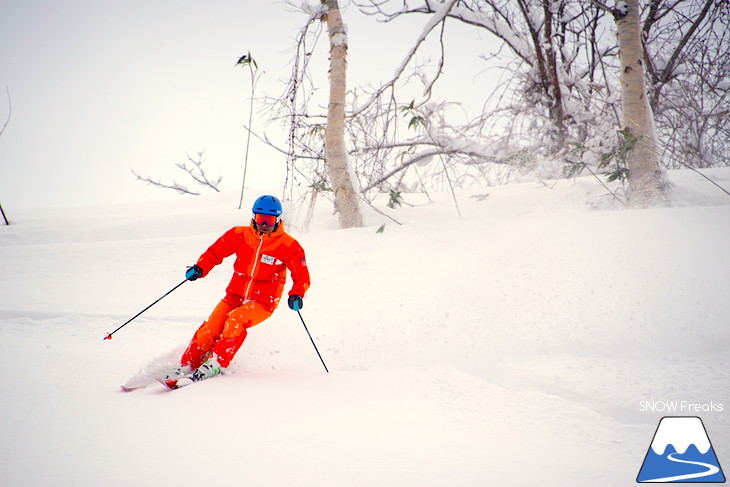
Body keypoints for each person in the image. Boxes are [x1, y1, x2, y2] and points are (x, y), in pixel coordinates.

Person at [168, 195, 310, 384]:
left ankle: (217, 363)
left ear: (278, 220)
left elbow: (301, 275)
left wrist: (296, 294)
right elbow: (215, 252)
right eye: (261, 219)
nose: (265, 224)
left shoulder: (288, 245)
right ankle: (188, 364)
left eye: (269, 220)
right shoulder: (239, 234)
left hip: (263, 302)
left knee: (236, 319)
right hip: (235, 295)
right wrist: (201, 267)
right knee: (213, 324)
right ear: (253, 217)